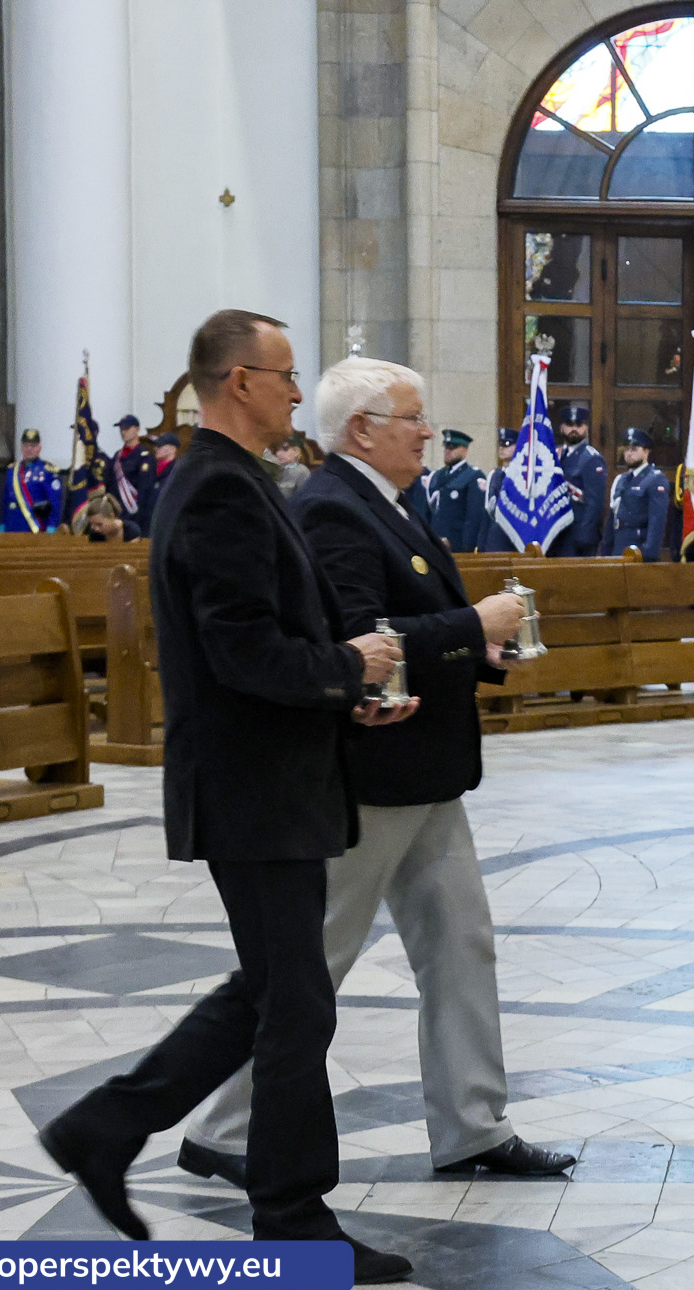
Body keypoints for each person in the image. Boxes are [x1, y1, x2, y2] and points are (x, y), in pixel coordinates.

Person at [38, 309, 417, 1283]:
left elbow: (263, 641)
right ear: (238, 382)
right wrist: (347, 665)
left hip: (273, 779)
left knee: (270, 990)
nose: (300, 392)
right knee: (298, 1004)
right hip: (253, 792)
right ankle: (290, 1218)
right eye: (286, 376)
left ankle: (103, 1127)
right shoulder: (217, 492)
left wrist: (345, 697)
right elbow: (242, 651)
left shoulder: (240, 480)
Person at [176, 356, 575, 1190]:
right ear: (362, 428)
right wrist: (476, 619)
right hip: (370, 774)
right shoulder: (332, 508)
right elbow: (363, 633)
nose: (428, 431)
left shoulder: (391, 500)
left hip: (426, 771)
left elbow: (414, 624)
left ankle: (472, 1124)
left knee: (462, 943)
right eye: (413, 416)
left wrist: (479, 646)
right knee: (311, 959)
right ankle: (220, 1128)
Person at [606, 429, 670, 560]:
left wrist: (649, 554)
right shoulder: (621, 480)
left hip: (639, 547)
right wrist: (606, 549)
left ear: (646, 451)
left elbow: (657, 520)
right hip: (619, 546)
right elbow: (613, 518)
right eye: (626, 449)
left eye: (634, 449)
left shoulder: (655, 479)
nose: (629, 453)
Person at [552, 404, 607, 556]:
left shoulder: (591, 458)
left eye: (579, 425)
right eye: (569, 425)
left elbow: (595, 503)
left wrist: (584, 537)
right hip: (556, 533)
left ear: (586, 428)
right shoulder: (556, 455)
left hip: (578, 537)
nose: (574, 429)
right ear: (562, 428)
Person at [425, 428, 483, 550]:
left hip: (457, 544)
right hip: (435, 543)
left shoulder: (473, 476)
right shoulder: (437, 476)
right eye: (446, 447)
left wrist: (467, 548)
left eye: (453, 447)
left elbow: (473, 518)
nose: (447, 451)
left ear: (465, 450)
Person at [1, 428, 66, 532]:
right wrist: (3, 523)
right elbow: (5, 500)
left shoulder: (48, 471)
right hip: (12, 524)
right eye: (26, 445)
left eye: (33, 446)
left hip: (35, 526)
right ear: (21, 448)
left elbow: (55, 503)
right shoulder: (12, 470)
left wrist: (52, 526)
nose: (29, 449)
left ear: (39, 448)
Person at [113, 415, 158, 534]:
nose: (123, 432)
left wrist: (139, 519)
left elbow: (145, 491)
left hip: (136, 516)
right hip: (118, 515)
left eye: (127, 429)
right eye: (121, 429)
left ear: (137, 429)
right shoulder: (117, 457)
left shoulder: (144, 458)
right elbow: (111, 486)